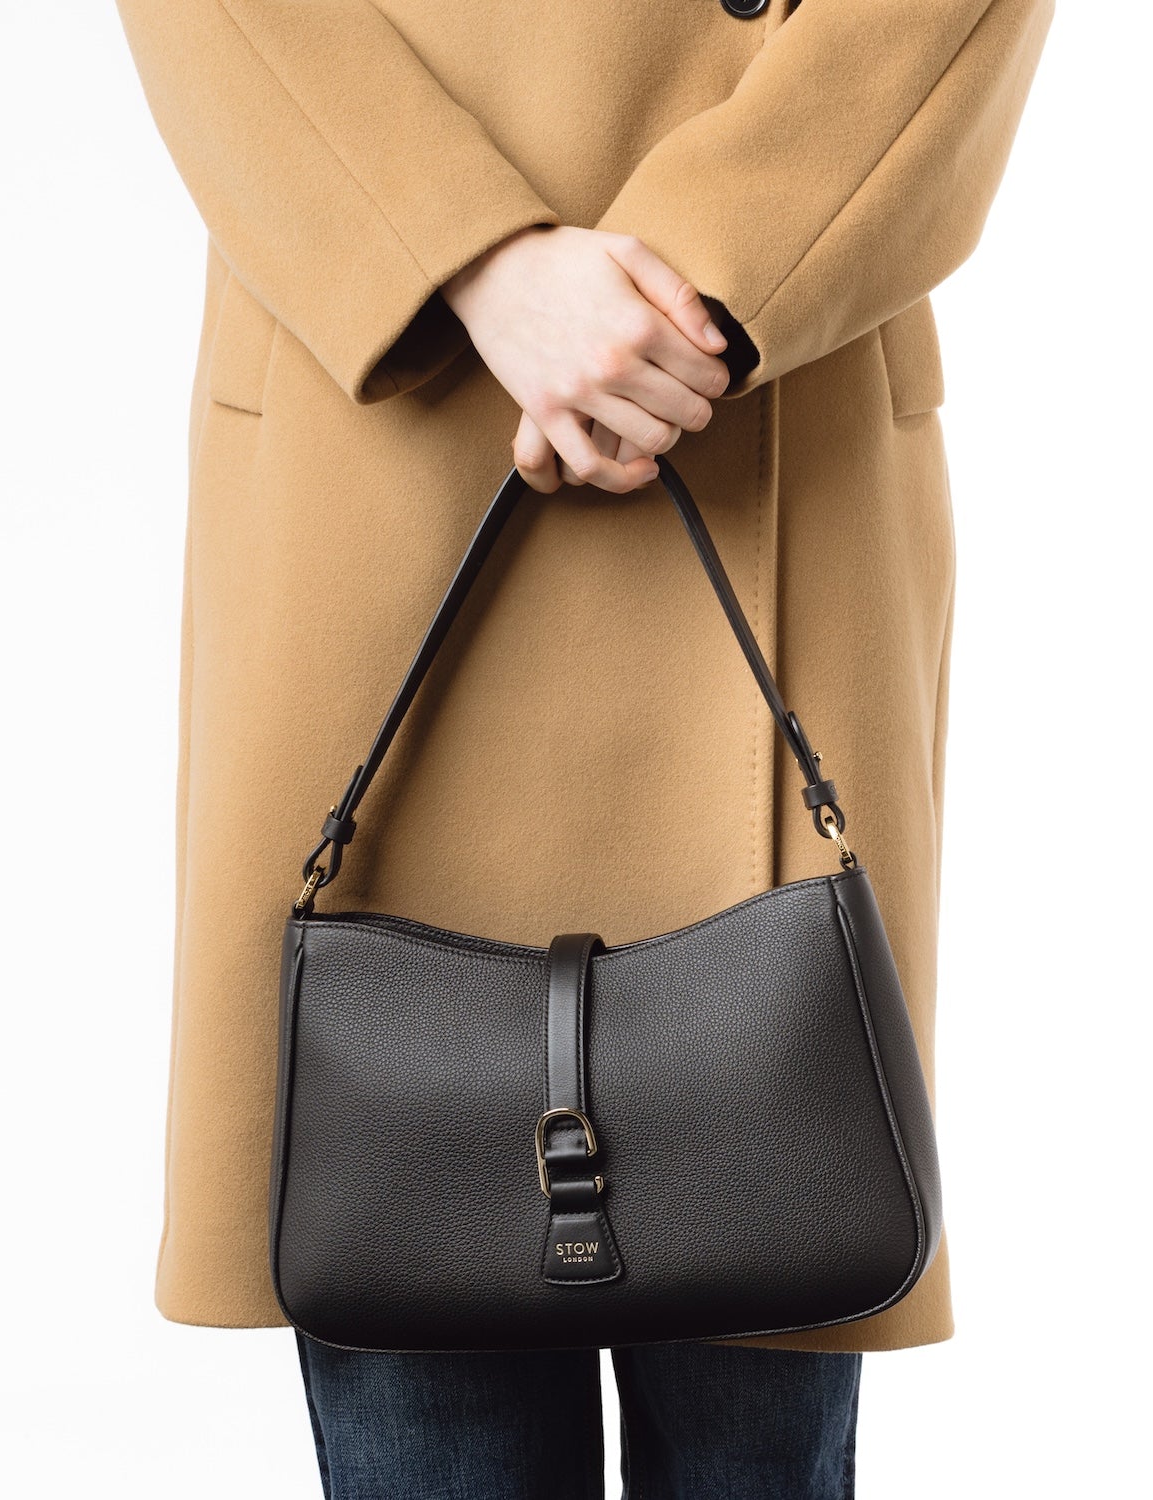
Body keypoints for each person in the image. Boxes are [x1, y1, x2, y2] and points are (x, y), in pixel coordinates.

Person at [115, 1, 1053, 1494]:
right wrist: (461, 253)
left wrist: (701, 275)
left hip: (760, 380)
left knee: (771, 1273)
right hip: (392, 389)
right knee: (418, 1335)